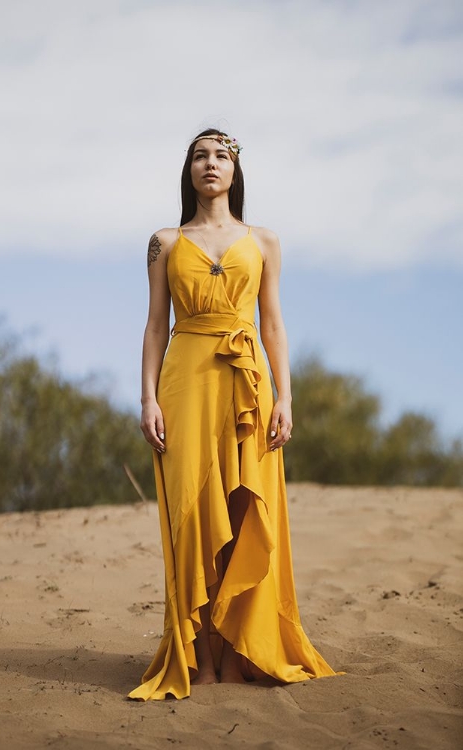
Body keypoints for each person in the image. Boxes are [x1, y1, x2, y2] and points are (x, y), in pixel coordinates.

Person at [128, 128, 342, 701]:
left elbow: (272, 322)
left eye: (220, 155)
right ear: (188, 171)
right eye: (199, 155)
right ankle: (199, 658)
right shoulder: (164, 242)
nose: (210, 163)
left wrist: (286, 397)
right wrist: (147, 397)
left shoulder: (265, 240)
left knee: (243, 509)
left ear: (235, 169)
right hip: (185, 383)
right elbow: (154, 325)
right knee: (194, 516)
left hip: (248, 385)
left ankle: (241, 654)